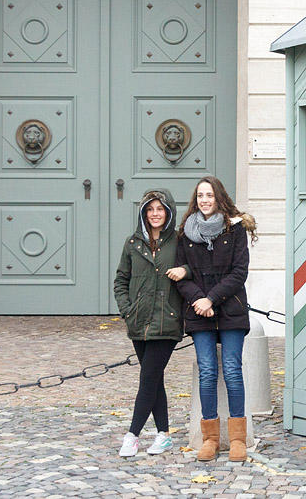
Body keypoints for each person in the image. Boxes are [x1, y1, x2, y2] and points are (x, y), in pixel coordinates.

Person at [169, 176, 257, 462]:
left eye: (209, 195)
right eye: (200, 195)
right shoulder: (186, 232)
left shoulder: (235, 229)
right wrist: (198, 300)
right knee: (207, 371)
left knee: (232, 370)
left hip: (230, 309)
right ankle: (210, 438)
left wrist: (212, 299)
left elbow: (238, 272)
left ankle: (237, 439)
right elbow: (181, 274)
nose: (204, 200)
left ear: (219, 197)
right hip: (199, 314)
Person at [113, 189, 184, 458]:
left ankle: (132, 435)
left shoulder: (179, 243)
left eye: (160, 209)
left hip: (167, 323)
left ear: (168, 213)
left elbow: (194, 270)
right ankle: (163, 435)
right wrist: (127, 310)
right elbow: (121, 280)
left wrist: (185, 270)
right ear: (144, 213)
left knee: (148, 378)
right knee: (154, 380)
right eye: (150, 209)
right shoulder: (132, 244)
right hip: (138, 322)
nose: (155, 214)